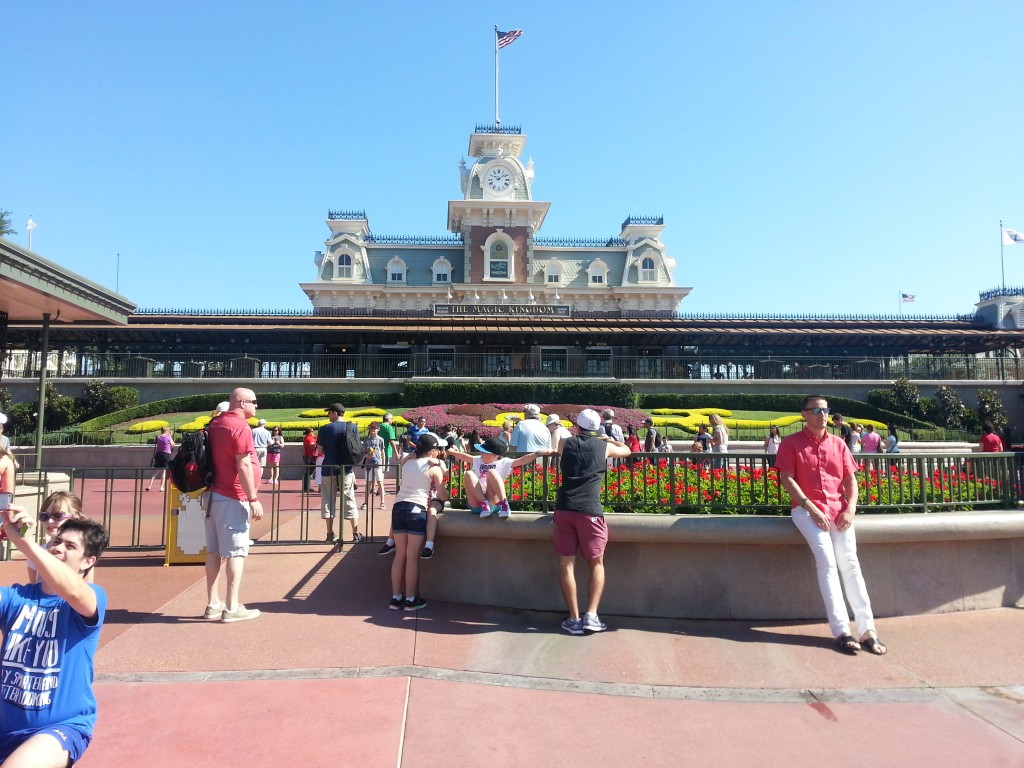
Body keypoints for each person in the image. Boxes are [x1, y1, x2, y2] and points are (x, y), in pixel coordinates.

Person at [775, 395, 886, 656]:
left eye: (825, 410)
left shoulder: (839, 444)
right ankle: (841, 630)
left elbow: (851, 482)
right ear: (804, 414)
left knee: (850, 561)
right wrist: (809, 507)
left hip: (838, 511)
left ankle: (867, 630)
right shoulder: (791, 444)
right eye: (815, 410)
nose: (821, 414)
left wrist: (850, 508)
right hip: (806, 511)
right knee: (827, 560)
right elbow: (786, 478)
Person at [0, 510, 109, 767]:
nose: (59, 547)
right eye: (56, 542)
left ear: (88, 561)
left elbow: (71, 589)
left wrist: (23, 542)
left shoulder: (92, 598)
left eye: (70, 546)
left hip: (59, 729)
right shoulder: (15, 597)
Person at [554, 409, 632, 635]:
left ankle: (574, 618)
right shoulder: (603, 446)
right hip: (590, 510)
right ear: (597, 428)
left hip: (565, 507)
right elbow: (626, 451)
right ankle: (591, 615)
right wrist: (610, 440)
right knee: (596, 563)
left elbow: (558, 446)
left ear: (577, 427)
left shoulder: (564, 443)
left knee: (566, 563)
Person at [203, 387, 264, 624]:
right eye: (254, 402)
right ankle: (231, 607)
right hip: (231, 495)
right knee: (236, 553)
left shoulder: (216, 423)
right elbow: (244, 464)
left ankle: (213, 603)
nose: (256, 406)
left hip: (212, 495)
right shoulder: (239, 426)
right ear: (242, 403)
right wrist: (253, 498)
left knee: (213, 552)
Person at [388, 433, 449, 612]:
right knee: (412, 557)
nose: (439, 452)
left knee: (400, 555)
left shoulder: (407, 461)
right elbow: (443, 494)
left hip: (398, 508)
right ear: (431, 451)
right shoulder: (433, 468)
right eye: (437, 449)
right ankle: (410, 600)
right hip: (417, 509)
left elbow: (404, 458)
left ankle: (395, 598)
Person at [447, 436, 550, 519]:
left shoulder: (504, 462)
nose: (481, 453)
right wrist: (451, 452)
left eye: (484, 451)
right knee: (468, 474)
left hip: (493, 501)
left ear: (494, 455)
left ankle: (504, 504)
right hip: (477, 504)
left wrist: (538, 453)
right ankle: (484, 504)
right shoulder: (478, 459)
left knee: (492, 472)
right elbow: (465, 457)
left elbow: (522, 460)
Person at [317, 403, 361, 544]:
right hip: (346, 468)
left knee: (328, 500)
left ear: (335, 413)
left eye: (329, 412)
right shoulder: (352, 426)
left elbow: (320, 451)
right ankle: (355, 533)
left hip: (328, 467)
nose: (328, 415)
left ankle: (330, 533)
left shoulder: (325, 428)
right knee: (349, 498)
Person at [28, 492, 93, 585]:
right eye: (44, 516)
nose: (50, 521)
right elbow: (33, 587)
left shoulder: (83, 552)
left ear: (76, 517)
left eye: (58, 516)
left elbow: (89, 588)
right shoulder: (37, 551)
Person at [360, 421, 386, 509]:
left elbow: (382, 452)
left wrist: (384, 464)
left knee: (380, 482)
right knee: (368, 483)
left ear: (378, 429)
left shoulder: (380, 440)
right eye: (371, 428)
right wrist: (368, 456)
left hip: (378, 463)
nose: (372, 430)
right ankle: (366, 502)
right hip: (369, 464)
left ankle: (382, 502)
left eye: (374, 428)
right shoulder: (366, 441)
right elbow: (363, 452)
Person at [145, 425, 175, 492]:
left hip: (158, 454)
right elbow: (173, 444)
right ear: (167, 431)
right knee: (163, 471)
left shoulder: (158, 437)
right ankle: (161, 487)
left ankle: (149, 486)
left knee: (156, 471)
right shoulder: (168, 437)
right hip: (166, 454)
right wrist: (170, 436)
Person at [251, 418, 271, 485]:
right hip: (263, 448)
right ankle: (258, 480)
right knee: (261, 466)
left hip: (255, 448)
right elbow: (270, 442)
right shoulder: (267, 432)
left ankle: (253, 480)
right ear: (264, 424)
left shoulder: (253, 431)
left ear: (258, 424)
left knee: (253, 465)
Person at [301, 427, 318, 493]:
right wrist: (317, 444)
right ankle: (307, 487)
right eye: (312, 431)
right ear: (309, 432)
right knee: (309, 472)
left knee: (309, 471)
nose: (313, 433)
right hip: (310, 457)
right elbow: (312, 446)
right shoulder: (309, 438)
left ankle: (307, 486)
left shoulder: (307, 437)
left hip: (308, 456)